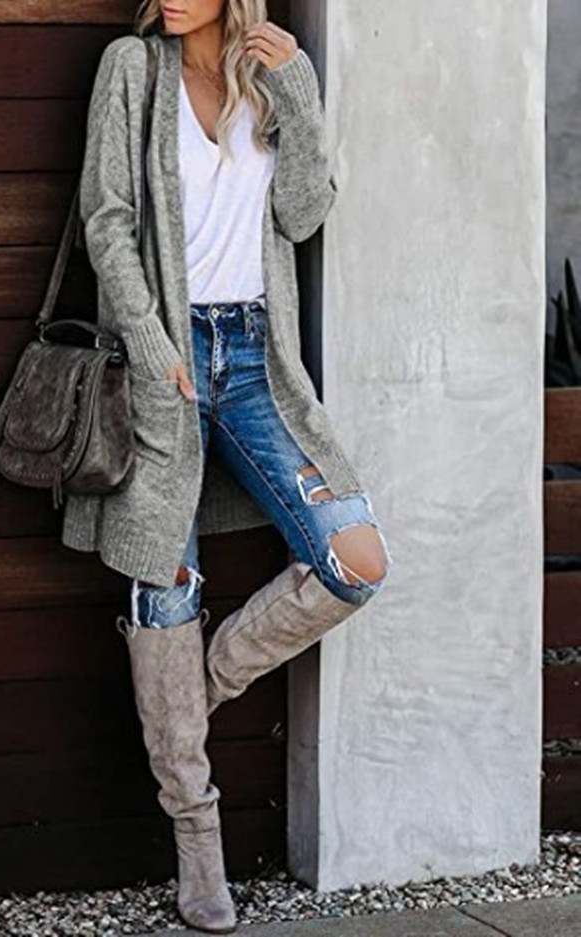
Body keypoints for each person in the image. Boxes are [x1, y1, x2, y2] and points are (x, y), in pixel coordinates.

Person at [65, 1, 394, 932]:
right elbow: (106, 219)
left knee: (356, 560)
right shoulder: (133, 67)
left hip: (257, 360)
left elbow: (303, 212)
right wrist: (148, 340)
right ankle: (198, 843)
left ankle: (191, 689)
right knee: (164, 587)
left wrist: (298, 91)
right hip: (162, 363)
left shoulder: (270, 76)